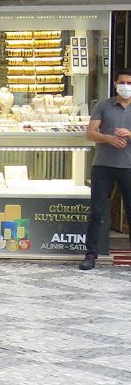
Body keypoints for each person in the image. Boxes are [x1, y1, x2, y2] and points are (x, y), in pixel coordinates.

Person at [78, 68, 131, 270]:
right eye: (123, 83)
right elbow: (90, 133)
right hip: (103, 166)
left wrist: (129, 134)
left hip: (128, 167)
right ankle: (90, 255)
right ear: (115, 84)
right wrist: (108, 138)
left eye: (129, 83)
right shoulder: (104, 106)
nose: (126, 87)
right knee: (97, 211)